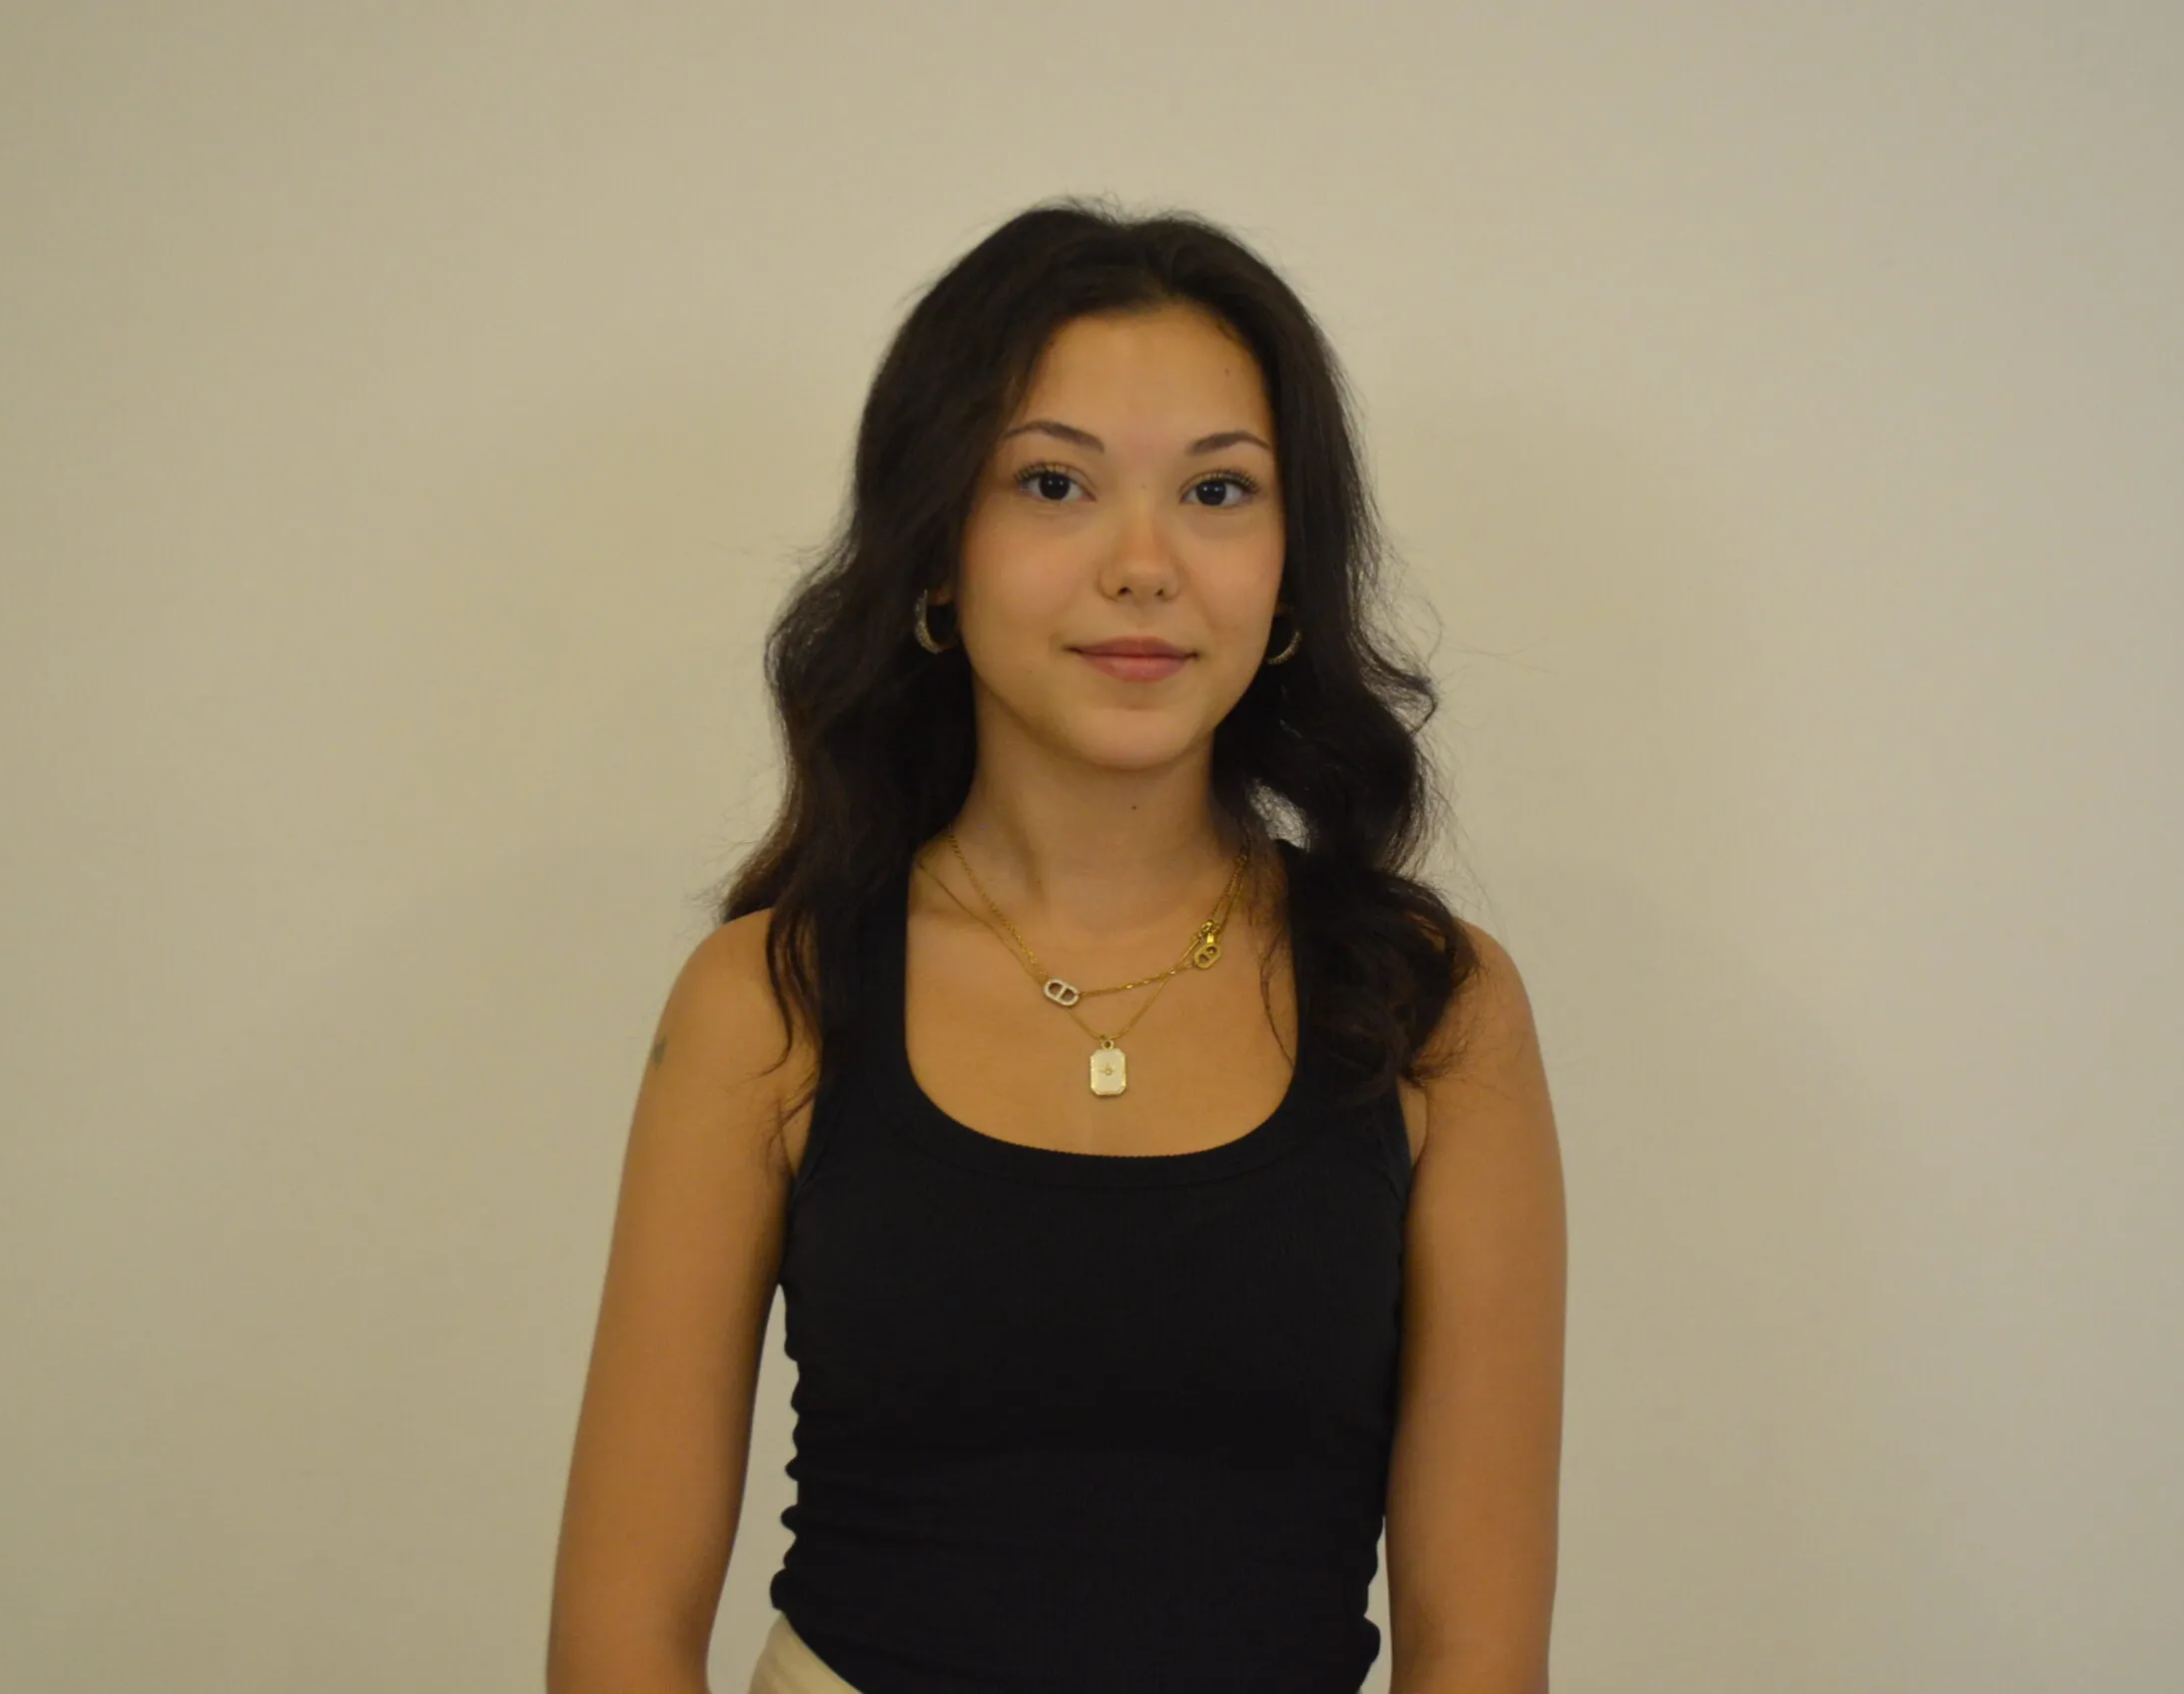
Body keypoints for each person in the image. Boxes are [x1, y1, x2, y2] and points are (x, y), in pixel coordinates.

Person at [546, 197, 1566, 1694]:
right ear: (934, 553)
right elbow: (617, 1642)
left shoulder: (1435, 1010)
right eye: (1052, 483)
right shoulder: (770, 1000)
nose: (1144, 564)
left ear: (1293, 568)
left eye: (1219, 491)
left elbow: (1478, 1660)